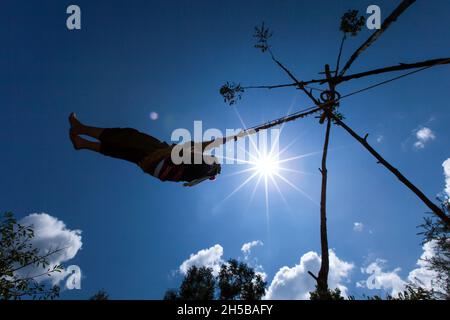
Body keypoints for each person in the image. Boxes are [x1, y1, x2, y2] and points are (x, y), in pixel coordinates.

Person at [68, 113, 221, 186]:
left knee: (126, 136)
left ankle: (81, 129)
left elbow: (189, 148)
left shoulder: (202, 165)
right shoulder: (198, 174)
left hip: (158, 154)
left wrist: (212, 143)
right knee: (120, 149)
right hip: (153, 166)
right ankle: (83, 143)